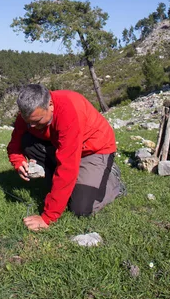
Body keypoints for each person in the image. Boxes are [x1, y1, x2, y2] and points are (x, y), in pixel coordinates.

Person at [7, 84, 125, 230]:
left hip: (93, 150)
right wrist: (18, 162)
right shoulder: (30, 115)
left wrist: (48, 217)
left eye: (37, 121)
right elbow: (14, 145)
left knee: (81, 208)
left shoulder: (69, 111)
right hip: (61, 146)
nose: (31, 126)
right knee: (27, 140)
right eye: (28, 122)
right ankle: (61, 186)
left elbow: (67, 166)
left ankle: (112, 180)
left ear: (50, 105)